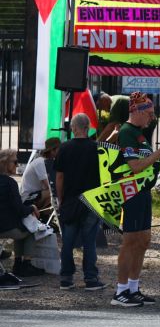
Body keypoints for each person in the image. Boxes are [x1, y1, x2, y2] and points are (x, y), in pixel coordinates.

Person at [112, 92, 160, 307]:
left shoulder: (139, 133)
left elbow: (147, 162)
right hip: (133, 192)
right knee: (130, 241)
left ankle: (133, 288)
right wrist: (159, 153)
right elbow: (135, 166)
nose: (151, 117)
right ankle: (120, 291)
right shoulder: (127, 132)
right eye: (149, 113)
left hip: (144, 191)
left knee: (144, 240)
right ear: (136, 112)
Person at [54, 114, 105, 291]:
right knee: (89, 240)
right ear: (88, 127)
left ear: (73, 128)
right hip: (91, 200)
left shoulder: (64, 148)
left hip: (70, 199)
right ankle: (90, 278)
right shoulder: (96, 148)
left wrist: (60, 199)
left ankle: (66, 278)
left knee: (67, 241)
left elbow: (59, 177)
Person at [0, 149, 45, 279]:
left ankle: (18, 263)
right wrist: (32, 207)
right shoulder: (10, 183)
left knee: (21, 229)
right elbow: (19, 209)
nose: (17, 165)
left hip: (4, 225)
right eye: (15, 162)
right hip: (6, 227)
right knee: (31, 230)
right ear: (6, 164)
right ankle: (26, 264)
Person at [19, 137, 60, 212]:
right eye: (59, 149)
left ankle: (45, 215)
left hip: (37, 194)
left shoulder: (48, 162)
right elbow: (49, 185)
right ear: (52, 151)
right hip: (27, 198)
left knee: (54, 192)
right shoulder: (40, 162)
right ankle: (44, 213)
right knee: (53, 192)